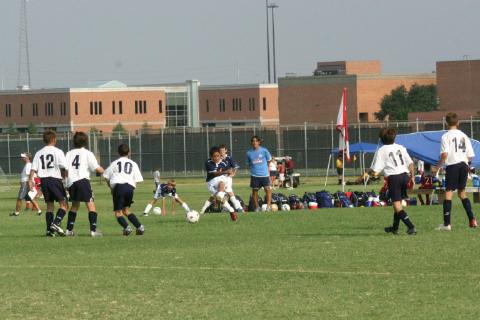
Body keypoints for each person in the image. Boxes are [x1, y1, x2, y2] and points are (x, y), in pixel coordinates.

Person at [435, 112, 477, 230]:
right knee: (462, 193)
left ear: (446, 123)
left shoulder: (445, 136)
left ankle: (447, 224)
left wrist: (437, 167)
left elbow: (444, 154)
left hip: (452, 165)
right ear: (458, 123)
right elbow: (470, 156)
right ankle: (472, 220)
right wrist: (467, 165)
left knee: (448, 193)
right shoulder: (464, 135)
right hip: (464, 165)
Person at [371, 128, 417, 235]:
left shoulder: (382, 150)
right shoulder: (400, 147)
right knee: (398, 203)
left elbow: (376, 170)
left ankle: (411, 227)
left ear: (381, 139)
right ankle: (395, 228)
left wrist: (370, 173)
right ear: (394, 137)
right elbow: (410, 163)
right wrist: (413, 177)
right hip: (405, 176)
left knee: (396, 204)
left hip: (394, 178)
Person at [28, 130, 69, 237]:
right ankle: (55, 224)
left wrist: (30, 180)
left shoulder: (38, 153)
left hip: (44, 181)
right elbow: (64, 167)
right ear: (54, 139)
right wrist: (66, 179)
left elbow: (33, 168)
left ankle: (48, 230)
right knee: (64, 204)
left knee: (50, 206)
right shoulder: (58, 151)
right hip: (55, 180)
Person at [65, 132, 104, 237]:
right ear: (85, 141)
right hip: (82, 181)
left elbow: (65, 169)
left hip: (71, 182)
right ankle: (93, 230)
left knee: (74, 205)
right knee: (90, 204)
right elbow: (97, 168)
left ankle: (69, 230)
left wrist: (66, 183)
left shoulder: (69, 153)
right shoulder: (87, 153)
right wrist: (104, 171)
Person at [103, 144, 145, 236]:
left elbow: (105, 175)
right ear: (129, 153)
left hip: (119, 187)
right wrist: (132, 188)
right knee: (126, 210)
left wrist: (111, 187)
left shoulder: (115, 163)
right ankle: (140, 227)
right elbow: (137, 179)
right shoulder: (133, 164)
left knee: (118, 212)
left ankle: (126, 228)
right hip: (130, 188)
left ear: (118, 153)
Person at [200, 146, 237, 221]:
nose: (216, 158)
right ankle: (231, 209)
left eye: (218, 156)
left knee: (221, 186)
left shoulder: (223, 162)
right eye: (214, 156)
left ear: (220, 155)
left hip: (221, 180)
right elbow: (215, 173)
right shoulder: (208, 163)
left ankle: (203, 209)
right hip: (212, 181)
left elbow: (229, 170)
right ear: (211, 156)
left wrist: (230, 172)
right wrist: (226, 172)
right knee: (218, 195)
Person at [246, 135, 272, 212]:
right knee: (255, 191)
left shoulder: (264, 150)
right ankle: (257, 207)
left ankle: (268, 206)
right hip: (254, 175)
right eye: (253, 141)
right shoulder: (249, 153)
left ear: (259, 142)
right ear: (251, 143)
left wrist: (265, 168)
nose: (254, 142)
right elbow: (248, 163)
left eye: (256, 141)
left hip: (264, 175)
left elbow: (269, 160)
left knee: (267, 190)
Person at [219, 144, 244, 212]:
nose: (222, 152)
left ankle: (238, 207)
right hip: (220, 178)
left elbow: (235, 167)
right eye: (220, 150)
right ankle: (227, 207)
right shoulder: (218, 159)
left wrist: (233, 174)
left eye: (223, 150)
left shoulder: (229, 158)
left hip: (227, 178)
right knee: (224, 192)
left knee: (229, 191)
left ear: (226, 150)